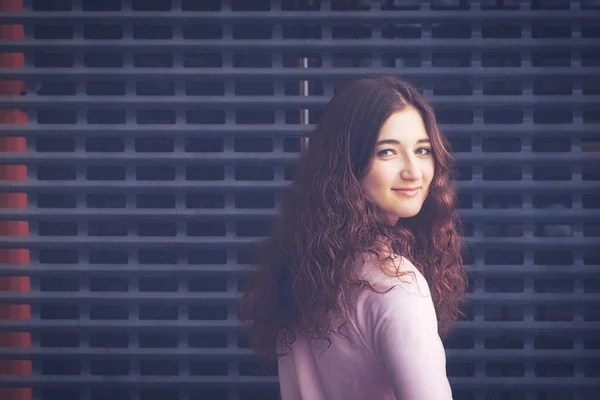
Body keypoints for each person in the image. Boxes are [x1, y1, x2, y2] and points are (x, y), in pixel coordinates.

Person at [239, 76, 468, 399]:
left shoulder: (303, 268)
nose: (414, 171)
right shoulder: (397, 285)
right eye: (387, 152)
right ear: (349, 165)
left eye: (422, 150)